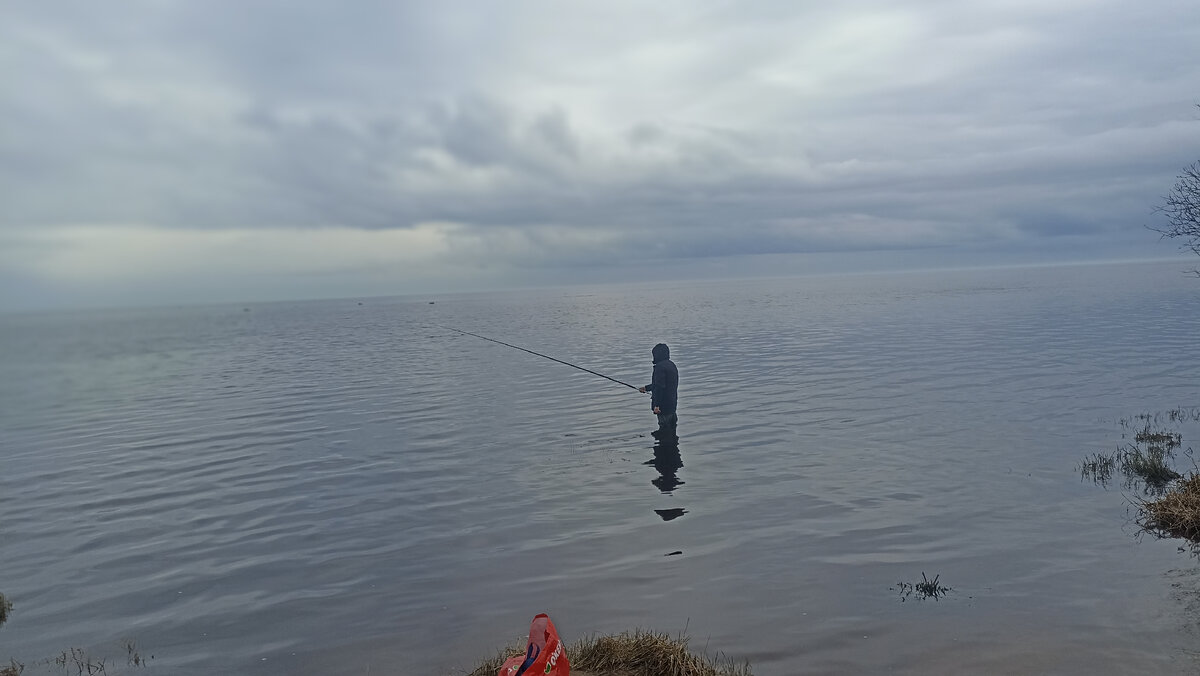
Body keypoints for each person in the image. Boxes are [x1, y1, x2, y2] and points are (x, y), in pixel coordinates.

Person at [638, 343, 678, 439]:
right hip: (672, 405)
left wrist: (657, 405)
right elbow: (661, 385)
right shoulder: (671, 365)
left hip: (663, 407)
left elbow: (660, 388)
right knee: (672, 430)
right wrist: (646, 388)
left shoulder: (659, 368)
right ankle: (672, 450)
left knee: (664, 431)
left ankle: (664, 450)